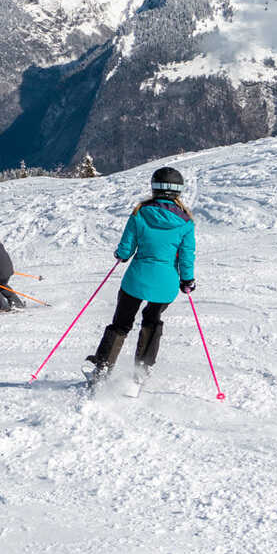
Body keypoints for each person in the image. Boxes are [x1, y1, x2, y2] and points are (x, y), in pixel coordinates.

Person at [86, 166, 197, 389]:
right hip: (166, 284)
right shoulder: (186, 223)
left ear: (154, 188)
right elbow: (186, 256)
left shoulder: (139, 213)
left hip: (136, 280)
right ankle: (142, 371)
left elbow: (125, 250)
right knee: (152, 321)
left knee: (121, 323)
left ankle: (102, 368)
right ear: (179, 191)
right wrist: (187, 281)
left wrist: (121, 255)